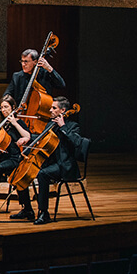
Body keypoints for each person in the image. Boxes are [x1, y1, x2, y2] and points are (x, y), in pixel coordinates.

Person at [22, 96, 84, 226]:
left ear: (62, 110)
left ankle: (44, 213)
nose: (50, 110)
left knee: (43, 174)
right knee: (25, 169)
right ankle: (27, 208)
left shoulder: (72, 126)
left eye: (53, 108)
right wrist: (27, 139)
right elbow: (41, 139)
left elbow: (77, 143)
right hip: (52, 163)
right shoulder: (51, 124)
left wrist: (63, 127)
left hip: (65, 166)